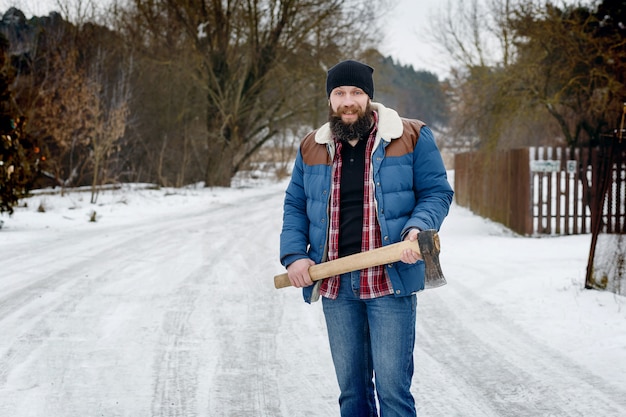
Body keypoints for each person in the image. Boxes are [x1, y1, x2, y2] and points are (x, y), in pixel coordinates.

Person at [279, 59, 454, 416]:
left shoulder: (410, 135)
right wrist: (295, 255)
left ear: (369, 97)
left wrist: (416, 231)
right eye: (339, 93)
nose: (347, 101)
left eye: (355, 92)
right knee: (352, 394)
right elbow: (295, 204)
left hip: (389, 282)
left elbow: (437, 192)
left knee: (393, 393)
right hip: (336, 285)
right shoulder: (312, 146)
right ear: (329, 100)